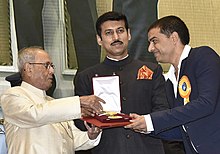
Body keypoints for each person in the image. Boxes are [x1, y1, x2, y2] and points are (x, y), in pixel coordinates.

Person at [74, 11, 178, 154]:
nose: (116, 37)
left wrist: (145, 122)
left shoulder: (152, 70)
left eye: (120, 31)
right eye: (109, 33)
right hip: (107, 149)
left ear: (129, 34)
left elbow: (163, 110)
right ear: (99, 39)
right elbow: (79, 121)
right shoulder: (86, 77)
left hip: (147, 148)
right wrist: (91, 126)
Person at [125, 15, 220, 154]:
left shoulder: (203, 56)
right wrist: (145, 127)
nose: (150, 48)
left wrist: (151, 120)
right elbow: (182, 131)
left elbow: (206, 103)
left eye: (154, 41)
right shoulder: (169, 82)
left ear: (174, 38)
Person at [0, 46, 106, 154]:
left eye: (52, 66)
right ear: (29, 68)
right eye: (46, 65)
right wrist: (78, 102)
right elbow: (34, 114)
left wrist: (90, 135)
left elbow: (71, 140)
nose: (52, 71)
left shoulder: (52, 103)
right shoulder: (12, 95)